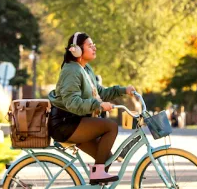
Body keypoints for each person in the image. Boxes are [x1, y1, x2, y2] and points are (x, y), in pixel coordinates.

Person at [47, 32, 137, 184]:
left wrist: (123, 90)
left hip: (77, 121)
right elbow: (72, 103)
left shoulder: (85, 69)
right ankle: (97, 175)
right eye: (90, 45)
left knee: (106, 158)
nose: (94, 47)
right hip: (65, 123)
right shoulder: (71, 70)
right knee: (111, 127)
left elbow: (99, 92)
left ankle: (97, 179)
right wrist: (98, 105)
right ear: (77, 50)